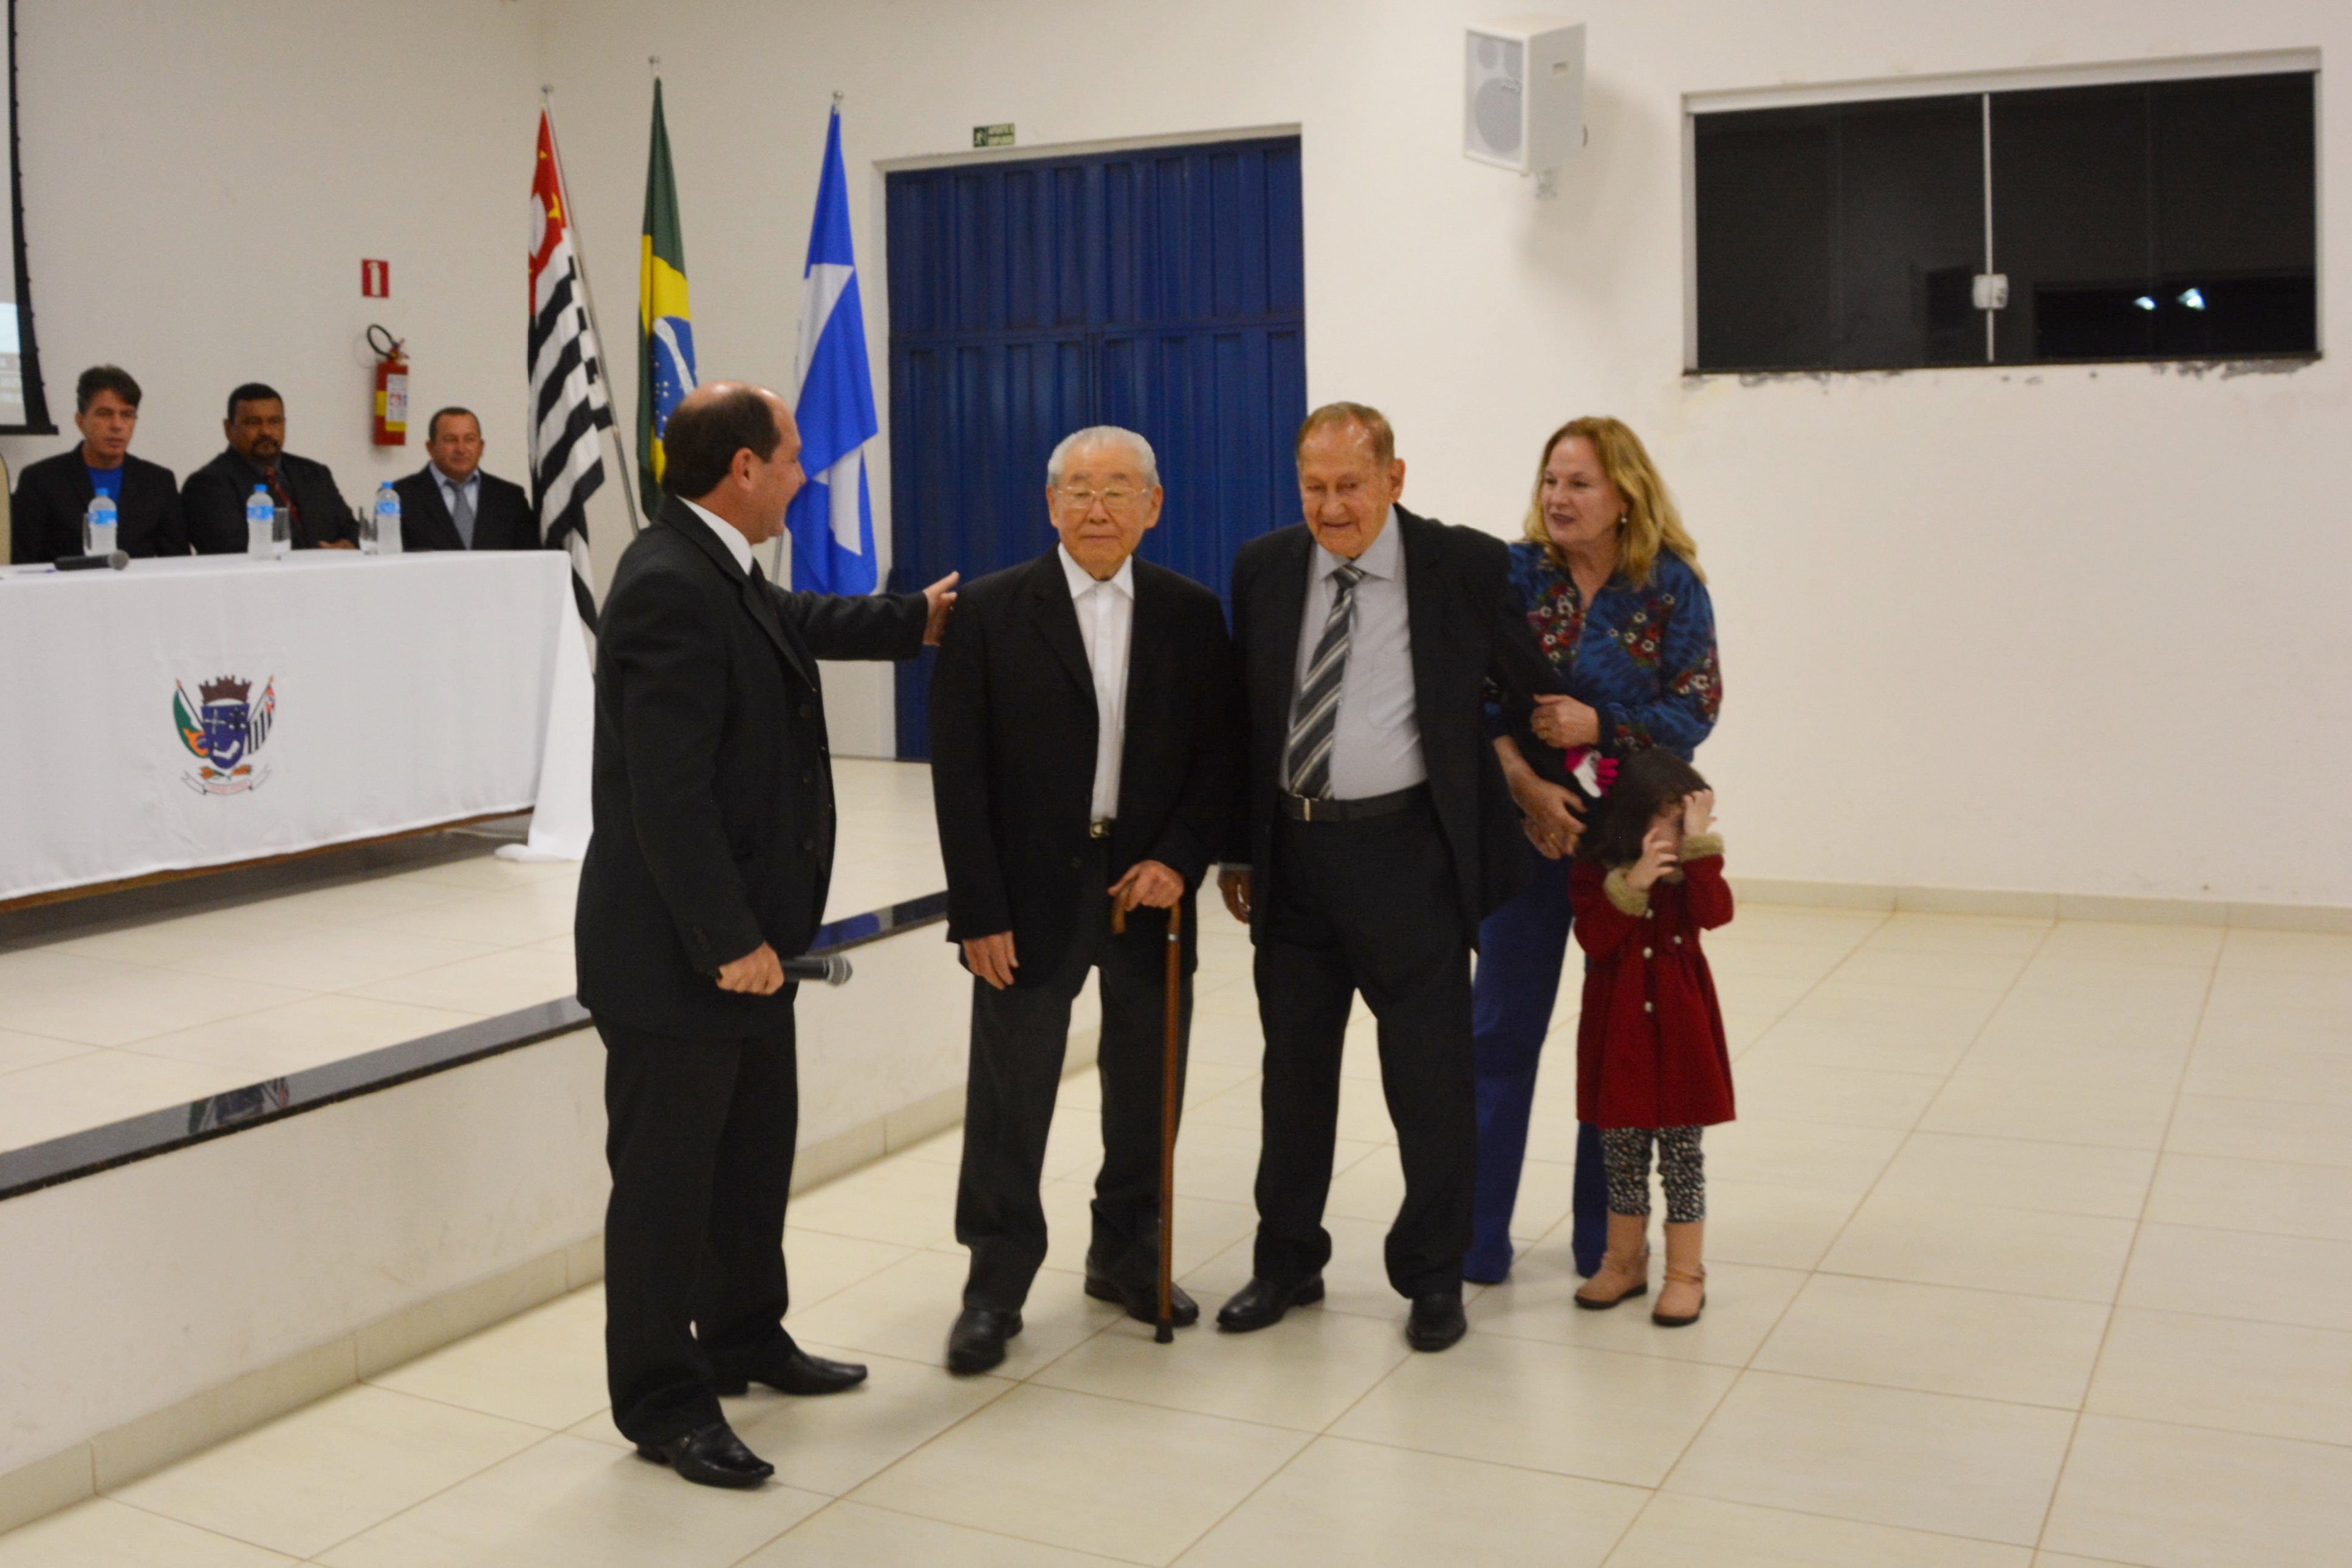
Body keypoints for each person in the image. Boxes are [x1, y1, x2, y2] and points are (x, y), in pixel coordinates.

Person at [572, 380, 957, 1489]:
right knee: (667, 1192)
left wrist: (914, 619)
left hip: (750, 954)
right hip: (684, 959)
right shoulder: (665, 584)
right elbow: (668, 795)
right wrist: (727, 938)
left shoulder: (717, 566)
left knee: (747, 1163)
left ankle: (743, 1335)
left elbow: (793, 623)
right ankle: (662, 1401)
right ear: (743, 468)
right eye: (790, 458)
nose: (802, 474)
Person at [1215, 402, 1560, 1353]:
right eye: (1313, 488)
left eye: (1349, 486)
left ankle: (1432, 1275)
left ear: (1393, 479)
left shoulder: (1461, 564)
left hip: (1409, 859)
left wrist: (1554, 781)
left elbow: (1528, 687)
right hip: (1294, 859)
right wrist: (1239, 848)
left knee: (1428, 1081)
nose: (1331, 507)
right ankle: (1286, 1261)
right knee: (1292, 1077)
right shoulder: (1264, 566)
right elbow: (1247, 718)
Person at [928, 426, 1239, 1374]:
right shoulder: (989, 612)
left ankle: (1127, 1252)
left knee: (1147, 1084)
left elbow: (1218, 755)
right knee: (1010, 1092)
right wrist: (978, 910)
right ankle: (994, 1281)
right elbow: (958, 775)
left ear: (1153, 505)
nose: (1096, 508)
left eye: (1116, 489)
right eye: (1077, 489)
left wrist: (1179, 858)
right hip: (1026, 894)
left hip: (1146, 888)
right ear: (1049, 503)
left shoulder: (1191, 614)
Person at [1467, 417, 1721, 1284]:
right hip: (1525, 834)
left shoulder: (1669, 585)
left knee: (1617, 1043)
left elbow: (1695, 708)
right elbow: (1471, 696)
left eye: (1578, 483)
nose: (1557, 498)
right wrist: (1523, 787)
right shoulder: (1513, 574)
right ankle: (1476, 1235)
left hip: (1627, 845)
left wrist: (1600, 725)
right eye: (1550, 480)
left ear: (1624, 495)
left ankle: (1604, 1238)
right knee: (1499, 1032)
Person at [1565, 750, 1733, 1326]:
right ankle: (1623, 1261)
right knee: (1622, 1157)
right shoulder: (1595, 870)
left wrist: (1701, 848)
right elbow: (1594, 939)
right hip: (1619, 1038)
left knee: (1681, 1158)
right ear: (1634, 818)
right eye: (1671, 820)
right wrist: (1632, 883)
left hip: (1682, 1036)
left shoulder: (1691, 874)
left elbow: (1717, 913)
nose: (1679, 833)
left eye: (1687, 821)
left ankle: (1686, 1273)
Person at [9, 365, 187, 563]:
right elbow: (22, 563)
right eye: (104, 414)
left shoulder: (159, 482)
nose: (117, 425)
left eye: (127, 415)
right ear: (80, 421)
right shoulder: (40, 480)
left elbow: (178, 562)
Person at [182, 383, 357, 552]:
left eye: (274, 422)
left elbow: (354, 530)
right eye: (253, 423)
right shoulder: (207, 485)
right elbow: (232, 551)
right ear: (229, 429)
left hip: (331, 572)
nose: (266, 431)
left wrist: (347, 545)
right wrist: (315, 559)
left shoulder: (315, 474)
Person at [392, 407, 536, 550]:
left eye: (470, 439)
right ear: (431, 448)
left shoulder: (510, 499)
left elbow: (530, 557)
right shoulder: (399, 497)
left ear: (481, 447)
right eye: (450, 440)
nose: (461, 449)